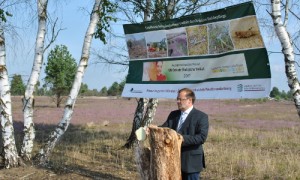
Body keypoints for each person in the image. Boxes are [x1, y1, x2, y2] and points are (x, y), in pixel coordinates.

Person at [161, 88, 209, 180]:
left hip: (191, 162)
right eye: (177, 99)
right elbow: (164, 129)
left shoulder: (201, 116)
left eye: (180, 99)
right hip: (173, 160)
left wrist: (181, 138)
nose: (178, 101)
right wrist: (151, 129)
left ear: (189, 100)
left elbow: (201, 137)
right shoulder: (173, 114)